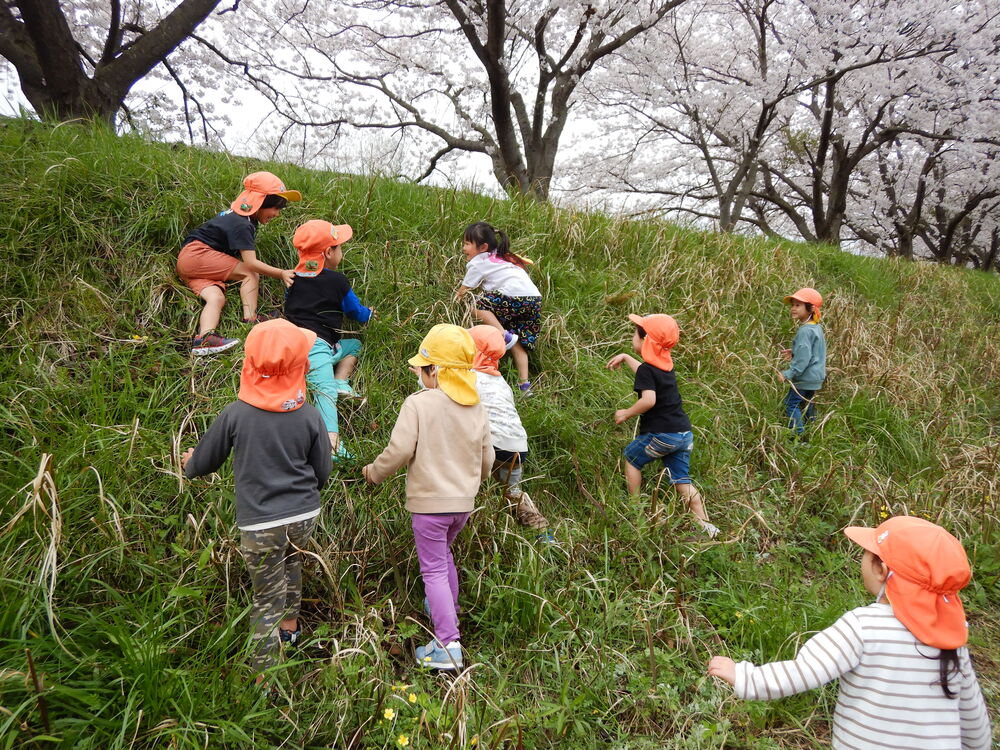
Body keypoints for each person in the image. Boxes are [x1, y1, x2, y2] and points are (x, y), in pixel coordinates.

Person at [707, 516, 992, 750]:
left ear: (882, 569)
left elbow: (805, 671)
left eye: (868, 554)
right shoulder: (952, 638)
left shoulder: (862, 626)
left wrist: (745, 676)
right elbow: (973, 717)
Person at [181, 319, 332, 678]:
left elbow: (202, 463)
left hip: (260, 522)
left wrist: (189, 461)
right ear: (301, 368)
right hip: (303, 514)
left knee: (266, 597)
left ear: (249, 365)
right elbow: (322, 471)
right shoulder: (310, 416)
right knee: (293, 566)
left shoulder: (236, 414)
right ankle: (291, 629)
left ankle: (264, 680)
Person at [362, 324, 493, 671]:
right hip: (462, 504)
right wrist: (473, 483)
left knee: (432, 569)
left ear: (435, 370)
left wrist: (374, 472)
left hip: (430, 506)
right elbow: (488, 459)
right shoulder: (475, 407)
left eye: (422, 368)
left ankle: (448, 645)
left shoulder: (418, 404)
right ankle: (447, 608)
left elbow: (400, 449)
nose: (418, 374)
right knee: (443, 558)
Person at [607, 314, 718, 538]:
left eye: (635, 332)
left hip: (662, 434)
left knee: (631, 458)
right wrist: (627, 358)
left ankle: (636, 509)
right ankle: (705, 524)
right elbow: (647, 375)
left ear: (645, 340)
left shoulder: (649, 370)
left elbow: (649, 400)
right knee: (681, 480)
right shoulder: (664, 366)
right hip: (683, 434)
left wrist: (625, 414)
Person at [177, 171, 301, 356]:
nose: (276, 214)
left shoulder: (236, 216)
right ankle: (250, 318)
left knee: (216, 298)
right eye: (275, 208)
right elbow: (250, 263)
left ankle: (204, 338)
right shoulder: (243, 224)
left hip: (189, 264)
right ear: (260, 203)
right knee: (250, 273)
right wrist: (281, 273)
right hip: (198, 254)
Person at [284, 219, 374, 460]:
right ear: (328, 252)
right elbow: (356, 312)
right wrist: (370, 314)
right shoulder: (338, 282)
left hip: (290, 342)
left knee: (351, 345)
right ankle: (330, 443)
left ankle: (339, 381)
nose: (341, 251)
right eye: (339, 246)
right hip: (315, 346)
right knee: (324, 392)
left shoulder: (293, 278)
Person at [467, 325, 550, 534]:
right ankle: (543, 534)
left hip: (491, 444)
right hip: (518, 446)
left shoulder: (468, 377)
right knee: (512, 491)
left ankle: (467, 525)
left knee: (465, 480)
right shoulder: (501, 382)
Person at [455, 222, 541, 395]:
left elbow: (464, 291)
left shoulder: (479, 261)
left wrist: (455, 301)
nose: (463, 248)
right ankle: (525, 385)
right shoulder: (503, 256)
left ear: (483, 247)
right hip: (534, 299)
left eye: (466, 243)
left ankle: (504, 335)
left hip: (513, 295)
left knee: (474, 305)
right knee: (519, 342)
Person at [778, 287, 826, 435]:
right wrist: (794, 352)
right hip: (816, 377)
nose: (793, 308)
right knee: (807, 404)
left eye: (798, 305)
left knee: (791, 404)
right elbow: (813, 351)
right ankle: (809, 433)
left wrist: (788, 373)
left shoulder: (804, 331)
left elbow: (804, 358)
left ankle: (798, 435)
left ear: (810, 308)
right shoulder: (816, 328)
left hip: (804, 377)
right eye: (793, 305)